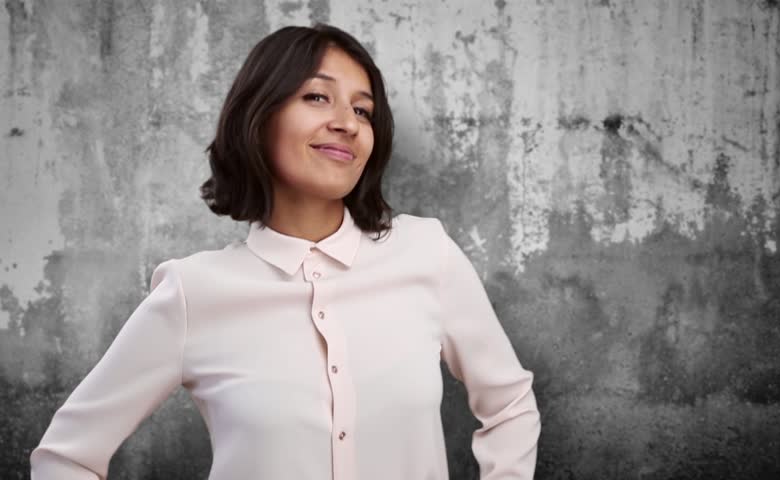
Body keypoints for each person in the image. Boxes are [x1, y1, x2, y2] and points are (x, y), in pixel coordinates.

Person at [30, 23, 541, 480]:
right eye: (317, 97)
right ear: (260, 116)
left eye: (362, 110)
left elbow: (511, 406)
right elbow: (66, 457)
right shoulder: (193, 291)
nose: (347, 123)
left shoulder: (426, 253)